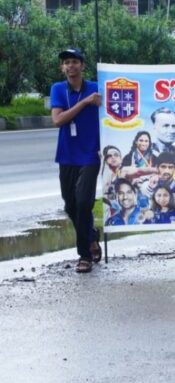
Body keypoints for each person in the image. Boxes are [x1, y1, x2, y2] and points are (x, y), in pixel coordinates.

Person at [50, 47, 102, 274]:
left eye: (74, 62)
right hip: (67, 155)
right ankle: (91, 236)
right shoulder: (58, 89)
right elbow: (58, 120)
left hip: (91, 154)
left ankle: (85, 255)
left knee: (83, 202)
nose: (70, 66)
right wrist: (84, 103)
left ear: (82, 65)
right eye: (66, 63)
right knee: (70, 205)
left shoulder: (97, 89)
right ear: (62, 68)